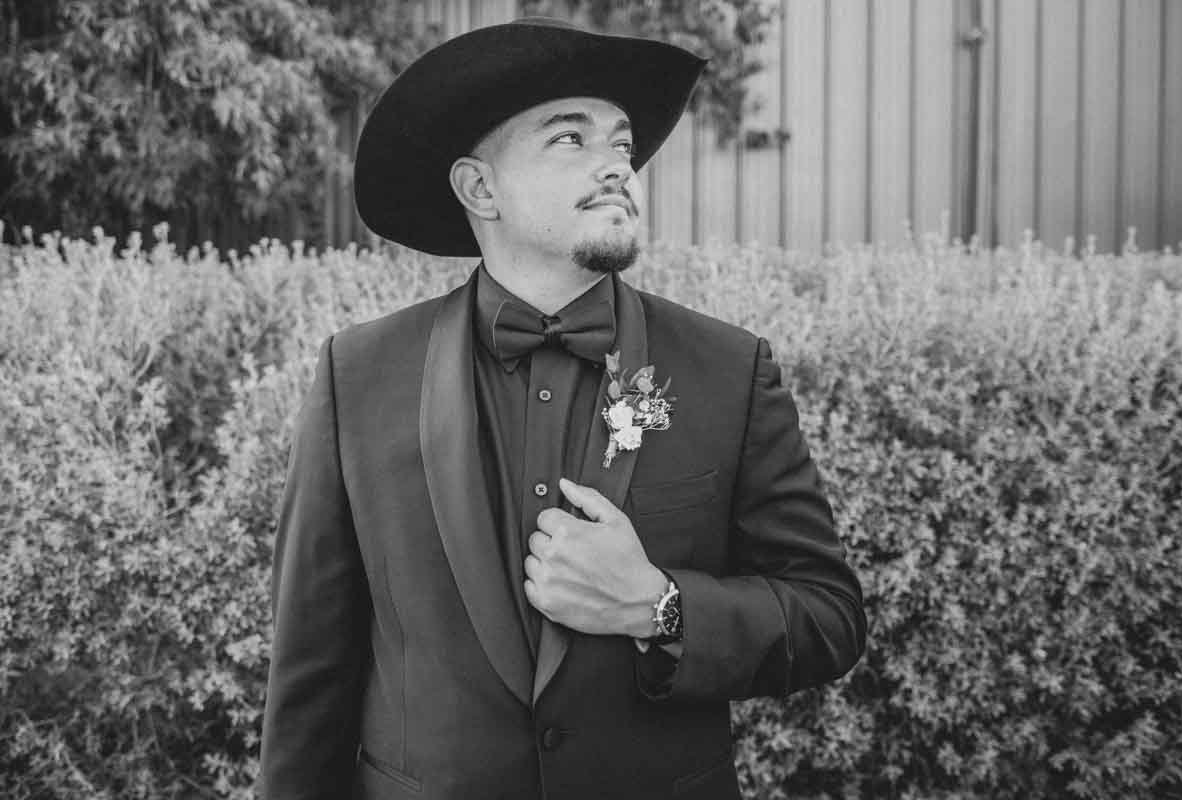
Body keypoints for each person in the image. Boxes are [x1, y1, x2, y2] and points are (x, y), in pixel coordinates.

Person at [260, 16, 867, 800]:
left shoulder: (728, 370)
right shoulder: (360, 375)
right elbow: (310, 668)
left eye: (621, 144)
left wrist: (662, 606)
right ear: (480, 188)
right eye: (570, 139)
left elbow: (829, 617)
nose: (618, 165)